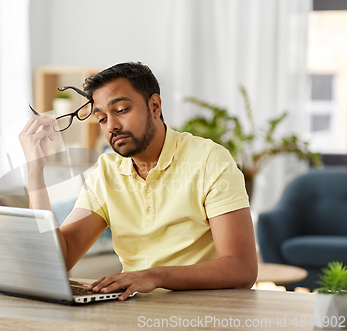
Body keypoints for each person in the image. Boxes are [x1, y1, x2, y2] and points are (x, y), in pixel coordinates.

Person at [19, 62, 258, 301]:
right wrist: (35, 171)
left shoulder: (210, 160)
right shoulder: (106, 172)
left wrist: (154, 277)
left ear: (154, 106)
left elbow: (242, 268)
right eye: (101, 118)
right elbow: (58, 259)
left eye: (121, 109)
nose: (111, 125)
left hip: (201, 314)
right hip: (133, 312)